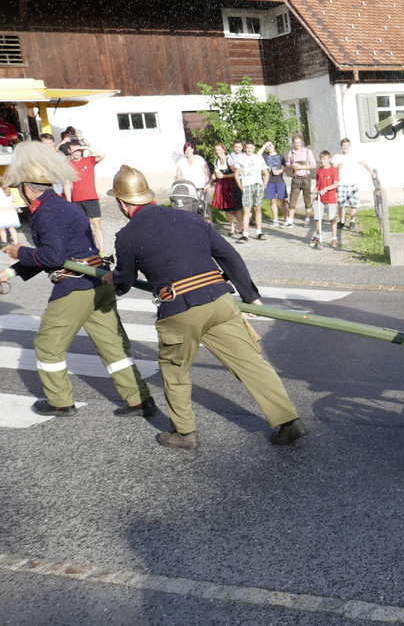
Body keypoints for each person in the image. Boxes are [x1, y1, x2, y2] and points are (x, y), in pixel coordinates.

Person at [101, 165, 308, 449]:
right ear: (147, 195)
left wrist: (113, 277)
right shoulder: (188, 218)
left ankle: (184, 434)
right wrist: (249, 295)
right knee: (251, 363)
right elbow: (228, 254)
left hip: (181, 309)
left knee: (174, 371)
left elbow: (123, 282)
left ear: (123, 203)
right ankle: (289, 421)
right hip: (219, 300)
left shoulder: (127, 235)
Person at [0, 142, 155, 418]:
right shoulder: (61, 205)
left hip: (75, 288)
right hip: (96, 285)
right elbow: (59, 254)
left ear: (26, 188)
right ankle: (140, 400)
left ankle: (60, 401)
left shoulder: (46, 212)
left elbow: (52, 256)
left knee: (48, 345)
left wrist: (17, 251)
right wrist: (11, 271)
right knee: (114, 346)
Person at [66, 140, 107, 255]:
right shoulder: (68, 165)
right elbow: (67, 184)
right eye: (73, 150)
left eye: (78, 150)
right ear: (69, 151)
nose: (76, 153)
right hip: (77, 200)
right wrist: (69, 202)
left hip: (91, 198)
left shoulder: (89, 160)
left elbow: (102, 155)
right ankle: (92, 249)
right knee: (84, 227)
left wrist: (87, 148)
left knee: (96, 224)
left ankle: (102, 249)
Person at [331, 137, 375, 230]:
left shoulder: (355, 155)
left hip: (353, 184)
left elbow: (364, 163)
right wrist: (337, 167)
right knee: (341, 205)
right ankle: (342, 222)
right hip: (341, 184)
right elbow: (332, 169)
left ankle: (352, 221)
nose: (345, 147)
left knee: (354, 204)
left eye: (347, 145)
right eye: (344, 145)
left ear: (349, 146)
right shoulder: (337, 156)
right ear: (341, 146)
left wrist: (371, 171)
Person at [233, 140, 269, 243]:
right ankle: (245, 234)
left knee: (257, 209)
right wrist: (240, 185)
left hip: (257, 185)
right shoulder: (241, 157)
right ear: (245, 148)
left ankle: (259, 232)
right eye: (247, 148)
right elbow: (236, 173)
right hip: (247, 185)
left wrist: (264, 185)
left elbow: (266, 172)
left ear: (254, 148)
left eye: (251, 148)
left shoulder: (258, 157)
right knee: (246, 210)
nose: (249, 150)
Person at [284, 133, 316, 228]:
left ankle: (307, 219)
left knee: (307, 199)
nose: (297, 144)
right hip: (296, 179)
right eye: (295, 143)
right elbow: (288, 165)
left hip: (306, 178)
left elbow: (313, 165)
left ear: (302, 142)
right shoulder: (291, 153)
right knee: (292, 199)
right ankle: (290, 220)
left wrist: (302, 166)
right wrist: (291, 165)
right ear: (293, 143)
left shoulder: (307, 152)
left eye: (299, 142)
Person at [174, 141, 211, 221]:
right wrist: (181, 185)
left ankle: (210, 226)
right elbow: (178, 175)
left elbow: (207, 172)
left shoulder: (199, 159)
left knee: (205, 208)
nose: (188, 152)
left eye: (189, 149)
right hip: (189, 190)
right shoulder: (181, 161)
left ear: (193, 150)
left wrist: (207, 184)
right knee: (191, 208)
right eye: (186, 150)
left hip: (201, 188)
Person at [210, 141, 242, 235]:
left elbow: (237, 173)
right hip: (222, 186)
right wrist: (208, 183)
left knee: (236, 208)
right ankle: (232, 227)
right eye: (216, 150)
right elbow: (215, 174)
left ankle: (240, 226)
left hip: (232, 185)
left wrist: (223, 176)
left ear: (224, 150)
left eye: (219, 150)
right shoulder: (216, 161)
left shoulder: (229, 160)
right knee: (226, 208)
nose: (217, 152)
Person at [311, 150, 340, 248]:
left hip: (330, 198)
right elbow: (317, 184)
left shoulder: (333, 170)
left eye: (324, 159)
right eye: (321, 159)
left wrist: (326, 189)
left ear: (329, 159)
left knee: (332, 218)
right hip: (319, 198)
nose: (322, 161)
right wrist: (314, 189)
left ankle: (334, 238)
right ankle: (318, 236)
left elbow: (335, 184)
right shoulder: (319, 170)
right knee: (318, 218)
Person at [262, 139, 288, 226]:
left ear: (274, 146)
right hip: (270, 181)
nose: (269, 147)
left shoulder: (280, 156)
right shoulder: (264, 156)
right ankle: (275, 220)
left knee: (282, 200)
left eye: (270, 145)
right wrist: (264, 146)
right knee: (272, 201)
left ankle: (286, 219)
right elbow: (257, 155)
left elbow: (287, 167)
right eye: (267, 146)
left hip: (280, 181)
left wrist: (281, 171)